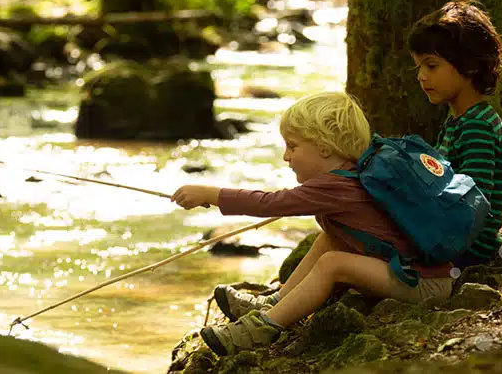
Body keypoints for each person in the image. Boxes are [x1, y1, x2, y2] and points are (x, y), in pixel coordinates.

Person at [171, 92, 454, 357]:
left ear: (324, 148)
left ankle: (264, 327)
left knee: (333, 263)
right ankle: (278, 299)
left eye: (292, 146)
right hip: (422, 274)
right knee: (331, 238)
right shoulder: (357, 173)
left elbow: (270, 203)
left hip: (425, 284)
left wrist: (210, 194)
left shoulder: (334, 186)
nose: (285, 156)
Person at [407, 0, 502, 269]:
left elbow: (473, 203)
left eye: (431, 66)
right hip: (450, 239)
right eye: (418, 67)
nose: (421, 76)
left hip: (463, 250)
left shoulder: (477, 125)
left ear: (470, 65)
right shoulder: (459, 119)